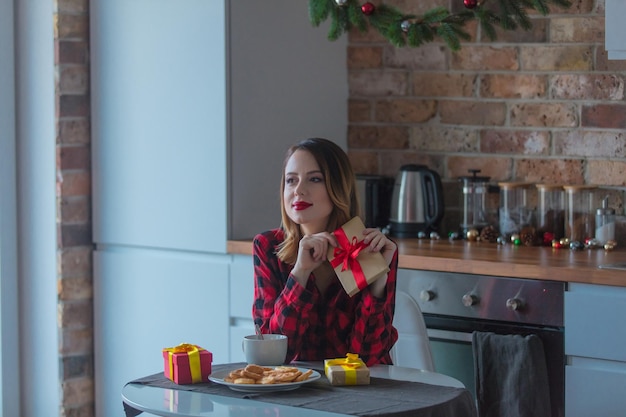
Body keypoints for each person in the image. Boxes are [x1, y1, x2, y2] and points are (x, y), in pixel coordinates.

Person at [252, 138, 398, 366]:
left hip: (360, 392)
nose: (299, 190)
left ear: (338, 188)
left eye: (314, 179)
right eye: (291, 180)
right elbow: (271, 355)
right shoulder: (268, 247)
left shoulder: (367, 248)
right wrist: (300, 273)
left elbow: (366, 358)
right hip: (296, 389)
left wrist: (377, 281)